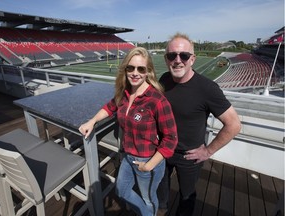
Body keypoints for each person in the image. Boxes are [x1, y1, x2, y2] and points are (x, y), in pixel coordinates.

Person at [79, 47, 178, 216]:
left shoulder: (157, 100)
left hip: (148, 159)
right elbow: (110, 107)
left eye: (141, 69)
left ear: (148, 72)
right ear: (125, 70)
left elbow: (171, 139)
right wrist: (93, 120)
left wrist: (149, 166)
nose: (135, 73)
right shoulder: (124, 93)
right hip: (128, 155)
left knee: (148, 198)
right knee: (121, 191)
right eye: (130, 68)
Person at [157, 33, 241, 216]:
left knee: (187, 197)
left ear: (192, 59)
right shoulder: (163, 79)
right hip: (163, 150)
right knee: (160, 191)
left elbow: (234, 125)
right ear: (166, 59)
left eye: (184, 56)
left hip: (189, 156)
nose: (177, 60)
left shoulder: (207, 88)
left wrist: (208, 151)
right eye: (172, 55)